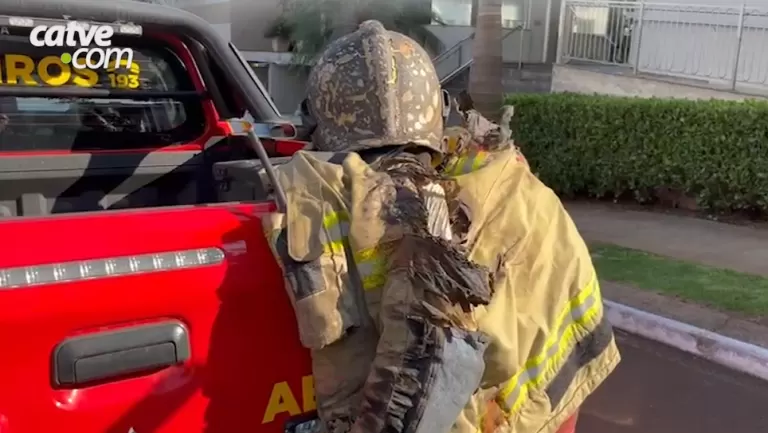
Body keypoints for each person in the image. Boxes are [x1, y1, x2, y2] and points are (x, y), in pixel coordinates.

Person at [262, 20, 620, 433]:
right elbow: (567, 392)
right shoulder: (528, 200)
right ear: (439, 109)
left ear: (322, 120)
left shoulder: (315, 203)